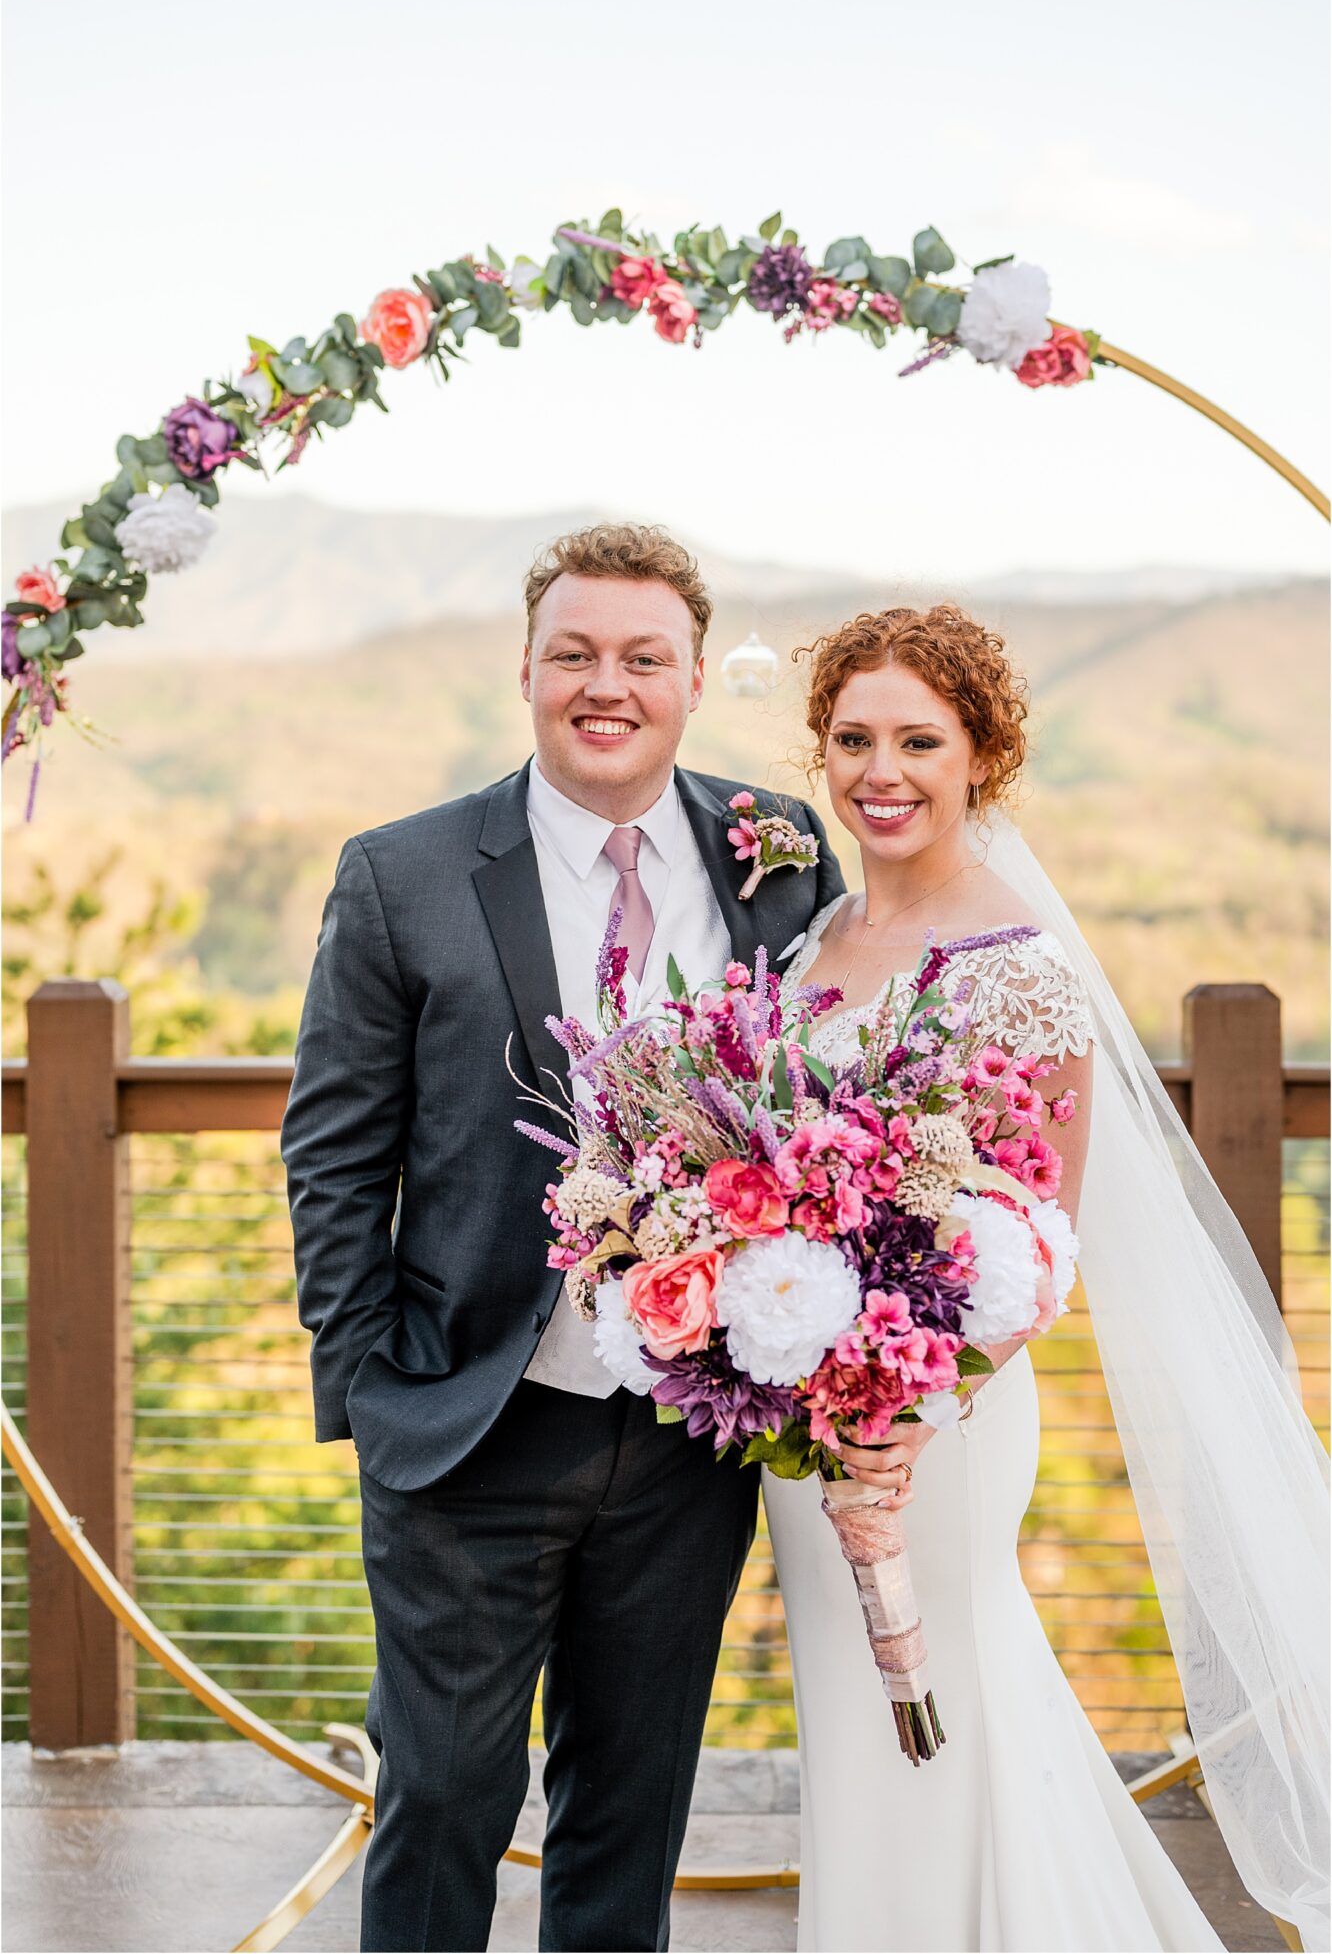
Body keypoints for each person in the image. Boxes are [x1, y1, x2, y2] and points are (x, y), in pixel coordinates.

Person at [280, 522, 844, 1954]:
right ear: (526, 668)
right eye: (576, 654)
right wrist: (371, 1387)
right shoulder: (402, 874)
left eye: (643, 657)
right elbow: (335, 1153)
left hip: (688, 1430)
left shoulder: (774, 856)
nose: (610, 684)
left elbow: (834, 1109)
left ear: (694, 676)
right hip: (470, 1416)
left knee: (632, 1805)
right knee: (446, 1798)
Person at [762, 603, 1329, 1952]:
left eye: (919, 739)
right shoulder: (818, 935)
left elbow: (1034, 1243)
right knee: (858, 1721)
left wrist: (896, 1408)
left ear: (980, 758)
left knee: (951, 1684)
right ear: (820, 754)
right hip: (805, 1427)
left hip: (936, 1420)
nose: (879, 771)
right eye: (851, 739)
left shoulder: (1016, 962)